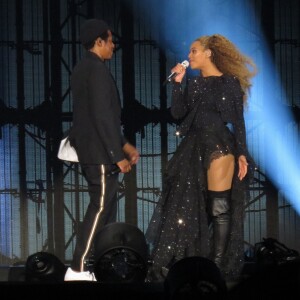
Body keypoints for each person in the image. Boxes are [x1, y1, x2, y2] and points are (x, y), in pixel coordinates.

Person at [146, 34, 257, 282]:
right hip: (193, 147)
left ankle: (216, 266)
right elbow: (177, 113)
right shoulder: (194, 84)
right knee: (188, 206)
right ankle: (188, 261)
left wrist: (242, 154)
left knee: (219, 208)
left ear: (209, 53)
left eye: (194, 51)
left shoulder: (229, 83)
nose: (189, 56)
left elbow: (238, 122)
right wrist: (178, 83)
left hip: (219, 146)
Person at [64, 19, 140, 281]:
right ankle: (79, 267)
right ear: (99, 42)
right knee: (99, 208)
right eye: (110, 40)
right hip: (98, 152)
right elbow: (101, 116)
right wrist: (117, 155)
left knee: (106, 212)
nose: (114, 45)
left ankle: (98, 266)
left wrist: (124, 144)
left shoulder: (86, 68)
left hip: (98, 149)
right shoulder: (94, 70)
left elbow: (104, 115)